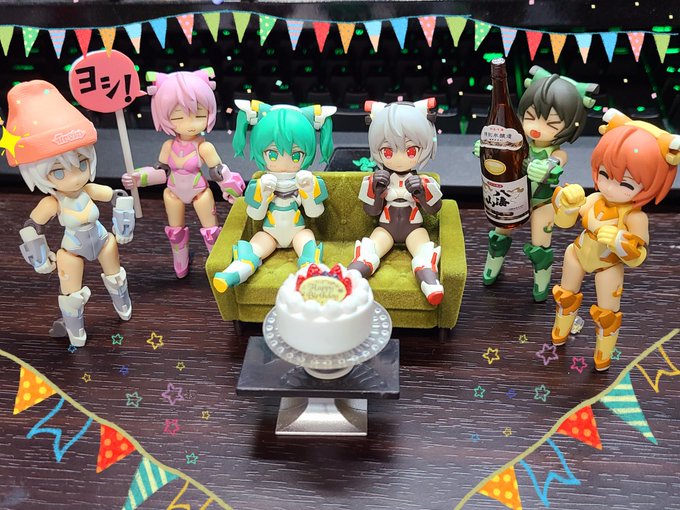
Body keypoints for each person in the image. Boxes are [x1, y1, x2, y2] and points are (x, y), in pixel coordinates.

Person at [7, 80, 135, 346]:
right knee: (72, 293)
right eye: (58, 172)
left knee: (116, 274)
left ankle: (123, 306)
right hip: (72, 249)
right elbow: (32, 226)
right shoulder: (53, 202)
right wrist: (39, 257)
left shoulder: (89, 189)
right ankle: (76, 332)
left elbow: (117, 196)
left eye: (82, 164)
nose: (75, 177)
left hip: (102, 239)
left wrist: (124, 222)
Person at [551, 109, 679, 370]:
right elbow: (563, 223)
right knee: (565, 296)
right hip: (578, 253)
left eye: (627, 184)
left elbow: (638, 257)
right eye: (604, 174)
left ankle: (603, 355)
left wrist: (620, 241)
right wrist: (565, 204)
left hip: (608, 264)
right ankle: (559, 333)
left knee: (607, 314)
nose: (610, 186)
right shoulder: (594, 199)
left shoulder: (635, 217)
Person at [476, 66, 599, 301]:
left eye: (551, 124)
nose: (536, 127)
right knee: (499, 232)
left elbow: (557, 161)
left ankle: (541, 280)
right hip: (512, 197)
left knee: (540, 245)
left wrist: (547, 167)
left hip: (542, 202)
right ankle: (493, 264)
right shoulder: (518, 138)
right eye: (530, 117)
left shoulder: (557, 152)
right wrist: (486, 148)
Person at [122, 69, 244, 278]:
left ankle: (217, 261)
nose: (190, 123)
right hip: (173, 192)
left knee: (212, 232)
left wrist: (231, 187)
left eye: (199, 115)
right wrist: (139, 178)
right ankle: (180, 260)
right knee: (175, 231)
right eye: (178, 116)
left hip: (199, 192)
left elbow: (218, 171)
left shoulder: (204, 147)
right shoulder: (168, 146)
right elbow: (162, 172)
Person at [212, 100, 336, 291]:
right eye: (272, 154)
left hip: (297, 231)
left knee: (308, 244)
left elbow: (314, 213)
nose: (283, 162)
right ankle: (235, 272)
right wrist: (264, 195)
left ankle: (313, 273)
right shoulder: (260, 183)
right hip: (270, 233)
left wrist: (309, 190)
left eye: (296, 155)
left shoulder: (307, 180)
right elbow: (255, 215)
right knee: (253, 250)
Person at [349, 99, 444, 305]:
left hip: (414, 229)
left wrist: (421, 194)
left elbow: (434, 209)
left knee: (424, 254)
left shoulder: (425, 181)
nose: (399, 158)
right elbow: (371, 211)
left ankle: (431, 285)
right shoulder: (374, 180)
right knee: (368, 252)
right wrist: (377, 192)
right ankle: (348, 280)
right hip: (386, 228)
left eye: (410, 151)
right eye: (388, 151)